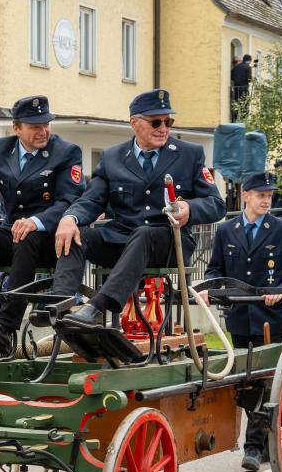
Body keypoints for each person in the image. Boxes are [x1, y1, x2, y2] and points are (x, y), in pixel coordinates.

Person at [52, 89, 225, 325]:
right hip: (122, 239)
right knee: (77, 235)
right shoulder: (112, 157)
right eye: (156, 122)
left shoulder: (190, 154)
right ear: (134, 123)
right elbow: (92, 199)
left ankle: (96, 308)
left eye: (168, 121)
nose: (163, 128)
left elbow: (216, 204)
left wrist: (189, 209)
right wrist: (70, 218)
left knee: (144, 234)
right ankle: (58, 307)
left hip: (169, 242)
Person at [0, 94, 84, 354]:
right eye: (35, 125)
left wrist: (36, 222)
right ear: (16, 128)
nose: (43, 130)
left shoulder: (66, 152)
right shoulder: (1, 149)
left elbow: (70, 200)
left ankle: (6, 325)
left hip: (50, 237)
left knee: (26, 235)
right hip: (14, 235)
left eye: (46, 123)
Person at [201, 172, 282, 472]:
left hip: (270, 318)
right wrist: (210, 288)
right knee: (243, 381)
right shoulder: (226, 230)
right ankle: (267, 429)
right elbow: (215, 269)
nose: (266, 199)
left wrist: (280, 291)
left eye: (269, 194)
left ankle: (253, 446)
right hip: (238, 317)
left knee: (261, 381)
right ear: (245, 195)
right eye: (261, 194)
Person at [230, 54, 252, 119]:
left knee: (236, 105)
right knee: (245, 106)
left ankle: (234, 119)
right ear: (250, 60)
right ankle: (243, 121)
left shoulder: (236, 67)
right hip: (244, 89)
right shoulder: (248, 67)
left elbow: (232, 76)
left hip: (236, 89)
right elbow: (249, 79)